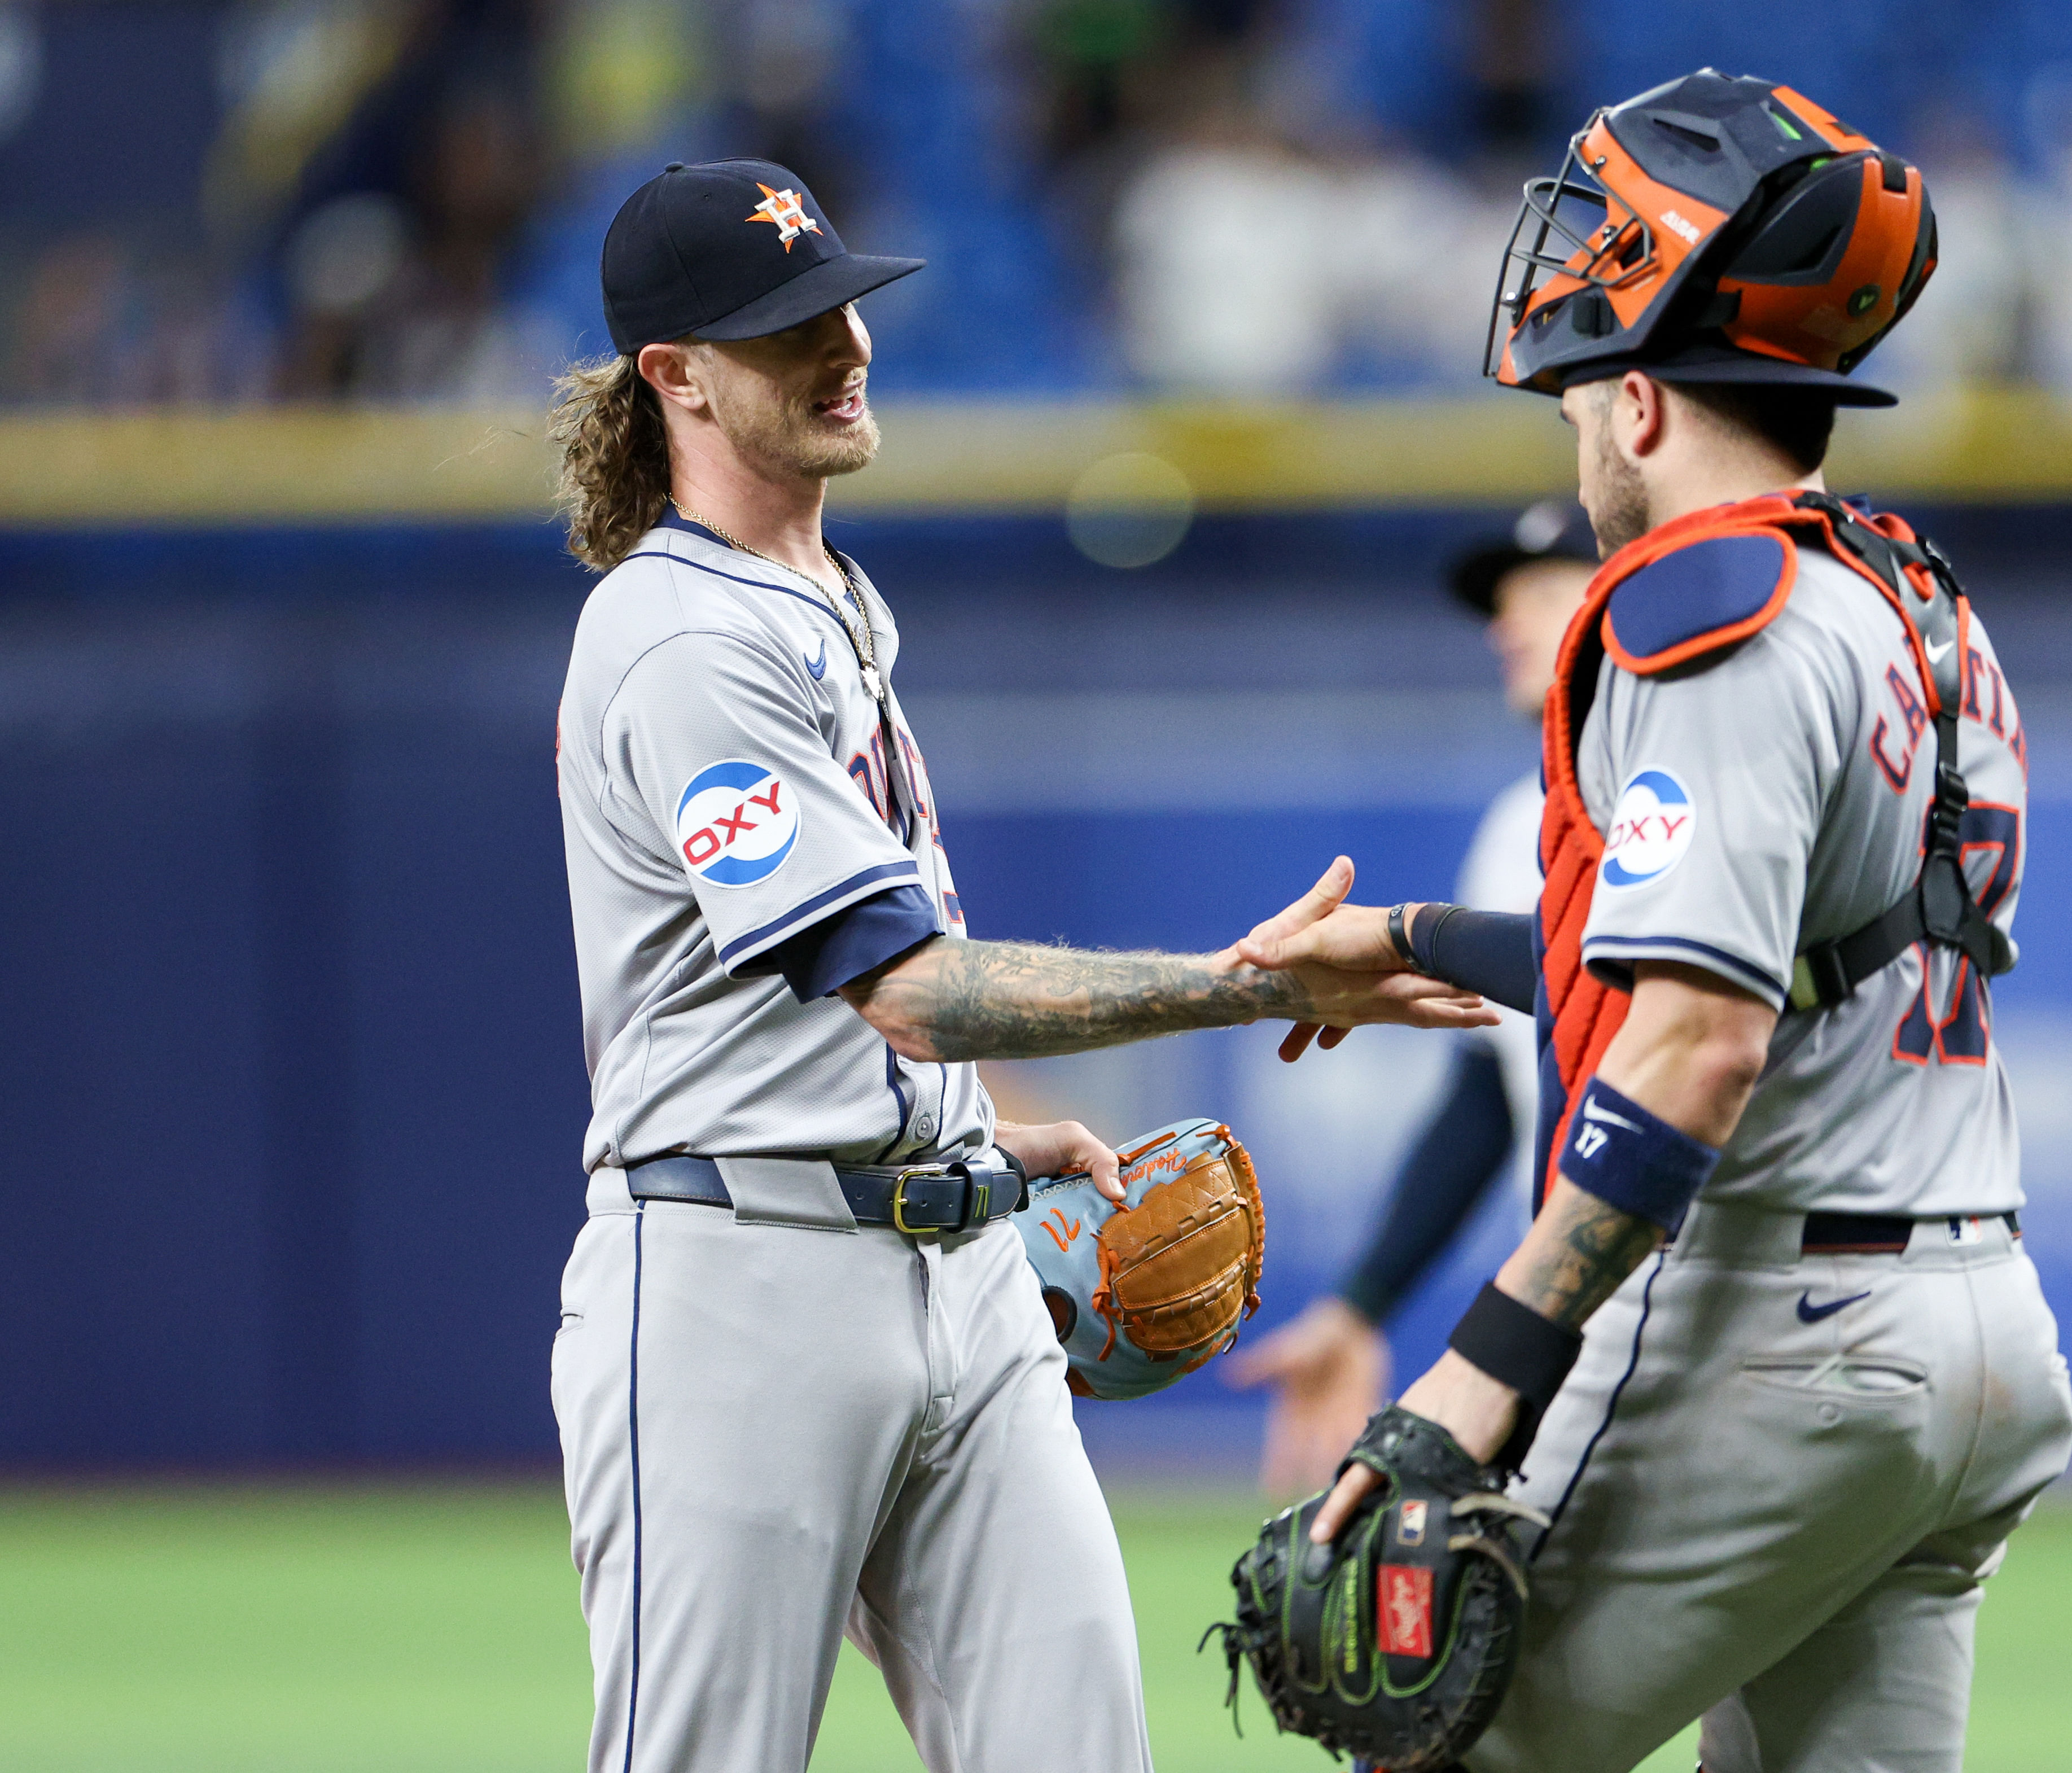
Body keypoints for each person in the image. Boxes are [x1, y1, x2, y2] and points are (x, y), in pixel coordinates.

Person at [541, 158, 1489, 1773]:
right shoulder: (678, 634)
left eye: (841, 301)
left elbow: (880, 1006)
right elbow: (902, 978)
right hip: (735, 1279)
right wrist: (1254, 981)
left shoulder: (834, 600)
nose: (842, 342)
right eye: (783, 329)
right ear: (675, 375)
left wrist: (976, 1125)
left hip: (962, 1272)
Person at [1237, 72, 2072, 1772]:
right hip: (1978, 1328)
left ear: (1633, 408)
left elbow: (1700, 1040)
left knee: (1435, 1734)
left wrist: (1474, 1374)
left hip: (1778, 1329)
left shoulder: (1710, 611)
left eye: (1571, 408)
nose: (1573, 435)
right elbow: (1794, 948)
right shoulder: (1906, 594)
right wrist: (1404, 933)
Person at [1227, 501, 1596, 1496]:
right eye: (1499, 603)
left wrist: (1411, 933)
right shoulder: (1522, 822)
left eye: (1544, 593)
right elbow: (1490, 1095)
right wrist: (1361, 1305)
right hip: (1594, 1294)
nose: (1503, 625)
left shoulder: (1684, 786)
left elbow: (1622, 974)